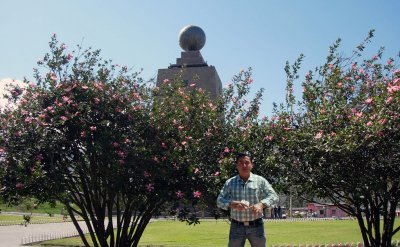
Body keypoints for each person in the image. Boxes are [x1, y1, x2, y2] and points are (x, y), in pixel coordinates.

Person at [217, 151, 278, 247]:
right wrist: (231, 204)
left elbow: (274, 196)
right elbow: (219, 200)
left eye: (247, 162)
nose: (244, 165)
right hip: (236, 226)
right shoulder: (230, 183)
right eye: (240, 162)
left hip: (256, 225)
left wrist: (261, 204)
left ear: (251, 165)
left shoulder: (260, 181)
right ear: (237, 166)